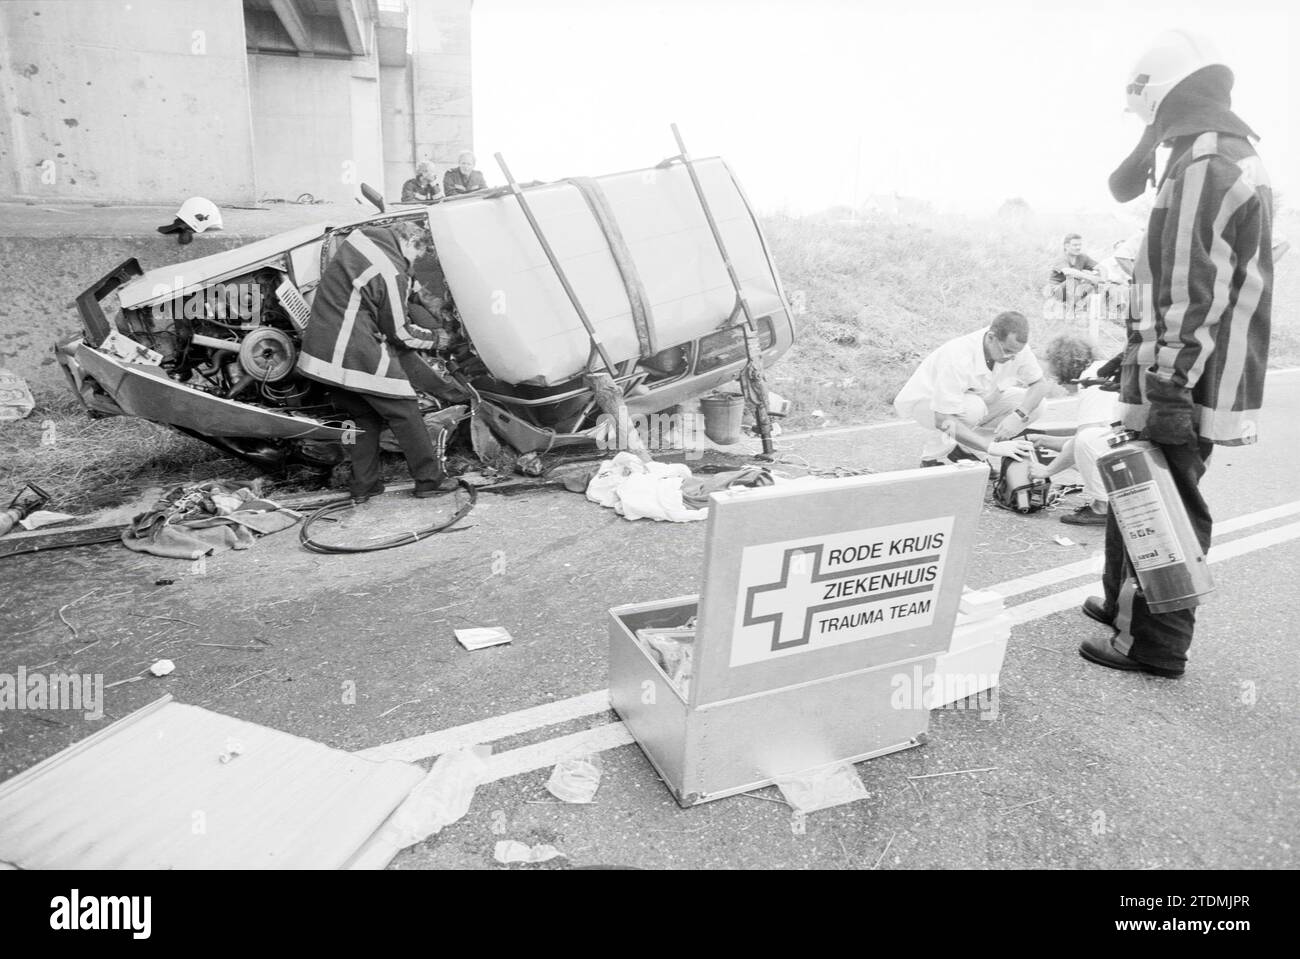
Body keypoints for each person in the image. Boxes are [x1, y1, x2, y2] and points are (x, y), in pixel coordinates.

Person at [1079, 29, 1274, 679]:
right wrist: (1132, 358)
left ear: (1164, 103)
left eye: (1152, 120)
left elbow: (1190, 293)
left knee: (1167, 502)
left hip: (1187, 375)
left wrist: (1165, 384)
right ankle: (1121, 605)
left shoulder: (1205, 164)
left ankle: (1158, 644)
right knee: (1137, 486)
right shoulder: (1213, 153)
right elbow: (1165, 283)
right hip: (1174, 364)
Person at [297, 221, 452, 502]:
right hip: (352, 350)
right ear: (411, 244)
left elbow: (388, 283)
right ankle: (430, 481)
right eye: (417, 256)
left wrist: (421, 294)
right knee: (405, 409)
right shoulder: (390, 271)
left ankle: (363, 485)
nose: (414, 262)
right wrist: (436, 339)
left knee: (362, 417)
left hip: (321, 351)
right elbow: (400, 332)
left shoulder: (365, 240)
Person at [893, 311, 1049, 468]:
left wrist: (1019, 414)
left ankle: (968, 451)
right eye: (1008, 351)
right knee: (973, 408)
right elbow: (942, 419)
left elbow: (1039, 384)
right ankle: (933, 457)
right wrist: (992, 447)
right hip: (928, 405)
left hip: (974, 399)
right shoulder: (958, 357)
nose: (1013, 357)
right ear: (991, 337)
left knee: (1037, 405)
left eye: (1017, 352)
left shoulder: (1015, 348)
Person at [1027, 336, 1120, 526]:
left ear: (1065, 368)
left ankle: (1103, 508)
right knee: (1087, 440)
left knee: (1087, 439)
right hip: (1128, 444)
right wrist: (1045, 440)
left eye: (1057, 377)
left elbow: (1085, 441)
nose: (1059, 384)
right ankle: (1106, 500)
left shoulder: (1093, 381)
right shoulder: (1099, 369)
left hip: (1124, 449)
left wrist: (1046, 470)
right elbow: (1090, 439)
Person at [1043, 234, 1102, 313]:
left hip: (1073, 291)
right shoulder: (1061, 257)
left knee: (1094, 281)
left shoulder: (1082, 257)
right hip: (1057, 291)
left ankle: (1078, 306)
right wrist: (1090, 277)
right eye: (1075, 245)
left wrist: (1099, 278)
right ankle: (1069, 309)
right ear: (1066, 246)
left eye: (1079, 245)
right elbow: (1068, 272)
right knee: (1074, 280)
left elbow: (1101, 268)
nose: (1078, 247)